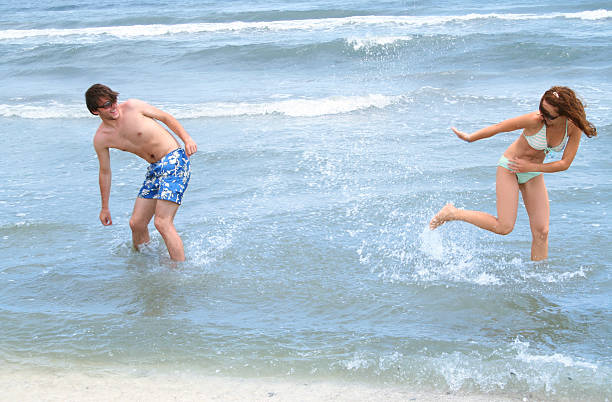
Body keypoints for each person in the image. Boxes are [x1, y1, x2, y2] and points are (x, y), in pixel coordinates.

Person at [429, 86, 596, 260]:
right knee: (504, 227)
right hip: (510, 168)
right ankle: (452, 213)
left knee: (542, 232)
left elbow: (564, 163)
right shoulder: (535, 120)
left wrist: (531, 168)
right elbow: (501, 127)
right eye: (541, 109)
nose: (543, 116)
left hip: (532, 171)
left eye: (549, 115)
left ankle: (538, 277)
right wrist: (470, 138)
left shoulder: (573, 127)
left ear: (564, 114)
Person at [86, 84, 197, 261]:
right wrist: (105, 207)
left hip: (174, 160)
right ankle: (148, 265)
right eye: (106, 105)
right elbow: (105, 172)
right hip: (154, 169)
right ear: (95, 111)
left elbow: (165, 117)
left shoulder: (133, 107)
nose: (113, 107)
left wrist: (187, 139)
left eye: (113, 101)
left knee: (162, 223)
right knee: (136, 224)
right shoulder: (101, 138)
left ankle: (180, 273)